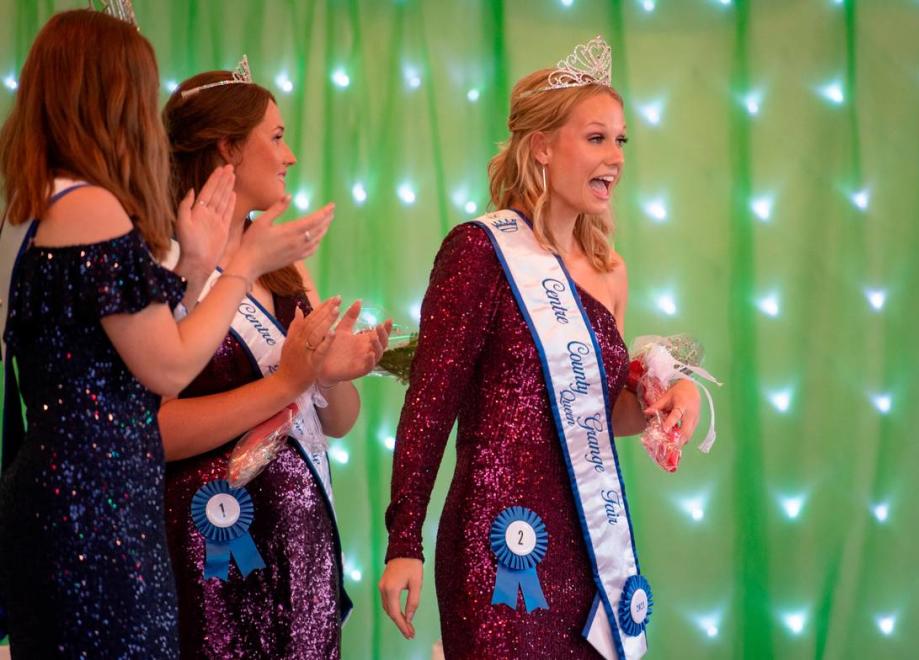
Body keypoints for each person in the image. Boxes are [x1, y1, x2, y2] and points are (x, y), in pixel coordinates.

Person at [0, 10, 329, 657]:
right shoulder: (89, 206)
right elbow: (167, 370)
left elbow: (111, 346)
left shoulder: (34, 201)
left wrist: (198, 265)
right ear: (111, 95)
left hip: (75, 495)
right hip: (92, 511)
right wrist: (244, 265)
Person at [378, 36, 702, 658]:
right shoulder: (481, 251)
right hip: (500, 544)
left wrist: (668, 398)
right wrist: (404, 542)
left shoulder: (611, 271)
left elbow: (601, 418)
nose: (617, 156)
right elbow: (429, 405)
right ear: (542, 147)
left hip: (586, 548)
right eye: (597, 137)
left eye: (621, 140)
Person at [159, 67, 390, 659]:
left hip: (304, 543)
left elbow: (336, 423)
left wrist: (331, 372)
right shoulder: (164, 255)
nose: (288, 155)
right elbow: (154, 430)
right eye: (276, 136)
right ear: (227, 149)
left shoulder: (286, 264)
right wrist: (288, 382)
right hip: (217, 546)